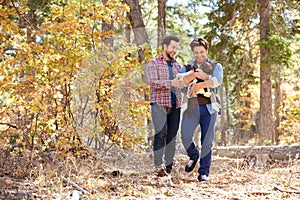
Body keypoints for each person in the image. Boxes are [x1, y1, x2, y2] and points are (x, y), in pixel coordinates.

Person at [146, 35, 200, 177]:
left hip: (175, 105)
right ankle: (159, 166)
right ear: (165, 46)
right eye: (172, 47)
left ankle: (168, 169)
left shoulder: (178, 66)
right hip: (159, 104)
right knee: (161, 133)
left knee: (172, 136)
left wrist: (188, 87)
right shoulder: (154, 63)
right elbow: (153, 83)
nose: (174, 50)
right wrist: (171, 83)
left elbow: (181, 87)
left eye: (176, 48)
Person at [180, 37, 223, 182]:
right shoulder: (187, 68)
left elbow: (217, 81)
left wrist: (200, 85)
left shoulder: (215, 66)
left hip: (209, 108)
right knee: (185, 135)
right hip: (191, 108)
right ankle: (193, 155)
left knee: (207, 141)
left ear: (206, 51)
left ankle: (203, 172)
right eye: (196, 52)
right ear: (193, 52)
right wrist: (193, 76)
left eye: (202, 52)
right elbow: (179, 80)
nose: (199, 55)